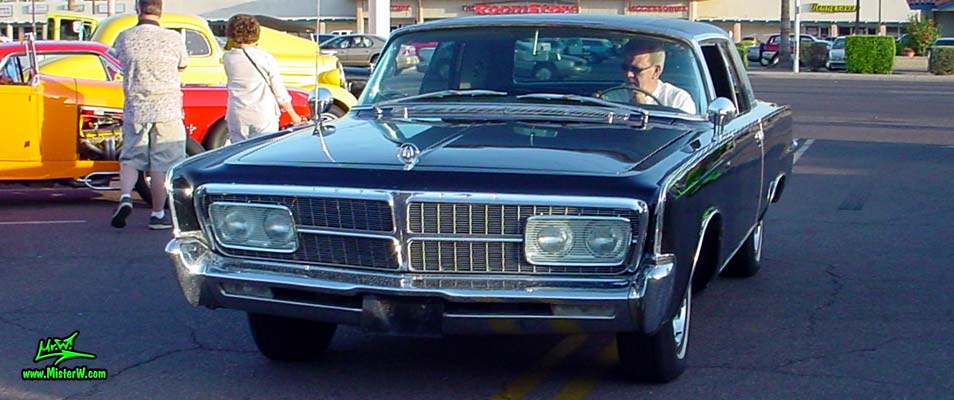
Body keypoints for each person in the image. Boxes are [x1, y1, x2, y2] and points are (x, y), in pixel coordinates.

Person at [110, 0, 188, 230]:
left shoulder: (125, 37)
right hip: (167, 109)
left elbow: (118, 63)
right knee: (161, 164)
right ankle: (156, 214)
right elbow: (182, 66)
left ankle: (125, 196)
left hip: (135, 107)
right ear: (160, 11)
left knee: (130, 157)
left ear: (138, 9)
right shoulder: (173, 38)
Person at [223, 14, 302, 144]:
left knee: (238, 153)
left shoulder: (228, 58)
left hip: (236, 113)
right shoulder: (264, 58)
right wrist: (293, 114)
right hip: (262, 113)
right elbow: (278, 89)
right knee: (262, 150)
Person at [603, 39, 696, 114]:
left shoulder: (678, 101)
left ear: (656, 71)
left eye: (636, 69)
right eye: (625, 67)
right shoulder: (611, 98)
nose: (629, 74)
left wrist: (644, 108)